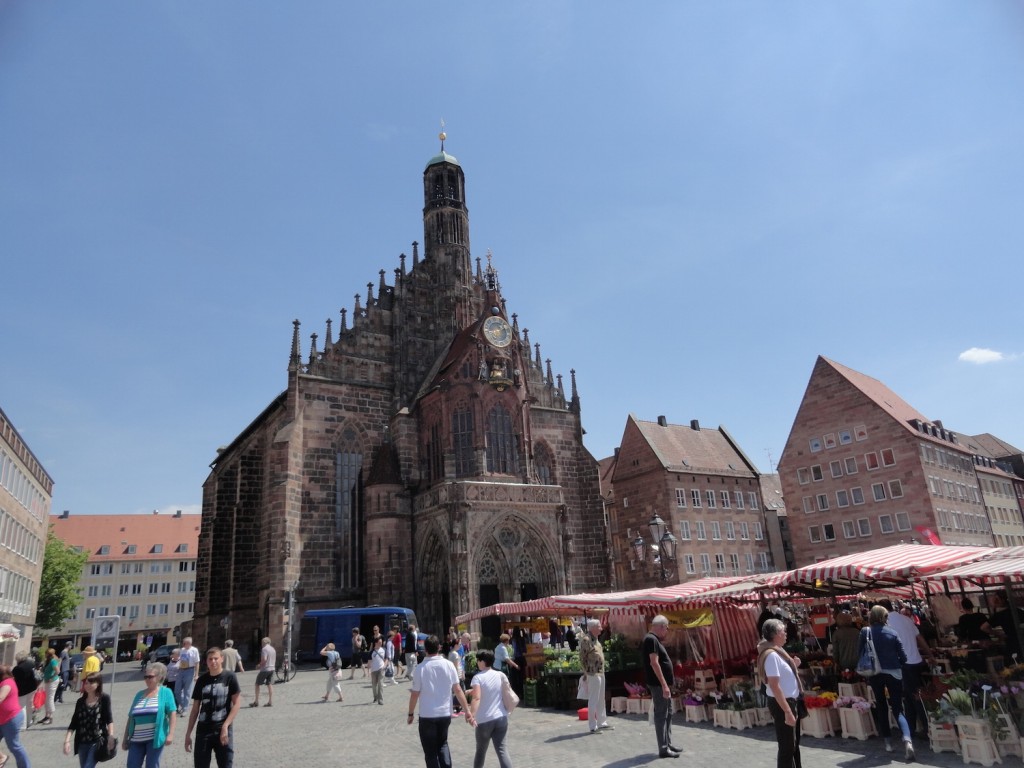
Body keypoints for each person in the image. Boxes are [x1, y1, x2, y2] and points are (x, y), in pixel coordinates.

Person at [407, 635, 475, 768]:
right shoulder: (449, 665)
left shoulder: (420, 668)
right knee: (443, 744)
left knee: (430, 751)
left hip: (427, 715)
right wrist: (467, 710)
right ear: (439, 647)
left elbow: (414, 694)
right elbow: (458, 689)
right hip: (444, 713)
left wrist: (410, 714)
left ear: (425, 649)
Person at [860, 604, 914, 760]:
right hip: (894, 672)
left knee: (881, 705)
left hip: (875, 673)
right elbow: (903, 657)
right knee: (898, 708)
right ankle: (907, 740)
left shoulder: (865, 632)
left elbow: (861, 653)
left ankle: (888, 743)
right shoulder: (892, 632)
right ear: (885, 617)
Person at [757, 618, 803, 768]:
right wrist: (787, 711)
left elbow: (781, 677)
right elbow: (775, 686)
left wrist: (793, 666)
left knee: (793, 745)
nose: (785, 633)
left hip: (789, 701)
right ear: (776, 634)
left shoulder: (777, 651)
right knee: (787, 747)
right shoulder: (772, 655)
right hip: (784, 703)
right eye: (783, 631)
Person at [185, 647, 241, 768]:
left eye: (216, 658)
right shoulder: (201, 680)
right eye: (210, 659)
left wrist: (226, 726)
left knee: (226, 764)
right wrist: (188, 733)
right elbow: (195, 709)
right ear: (206, 661)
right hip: (203, 730)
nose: (213, 661)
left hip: (222, 728)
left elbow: (236, 704)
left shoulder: (230, 677)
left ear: (222, 659)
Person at [884, 600, 931, 736]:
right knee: (910, 696)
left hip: (903, 663)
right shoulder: (906, 619)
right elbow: (920, 638)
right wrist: (930, 654)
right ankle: (911, 728)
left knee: (915, 696)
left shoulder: (887, 623)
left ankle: (927, 727)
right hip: (916, 661)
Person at [123, 662, 176, 768]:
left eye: (150, 677)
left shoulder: (166, 692)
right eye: (145, 677)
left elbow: (172, 713)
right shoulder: (139, 694)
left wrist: (170, 734)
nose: (147, 679)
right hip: (136, 739)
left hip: (154, 739)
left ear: (159, 677)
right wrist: (125, 738)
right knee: (132, 765)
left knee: (152, 766)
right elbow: (131, 717)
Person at [469, 649, 513, 768]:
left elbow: (477, 698)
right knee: (502, 750)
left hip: (484, 719)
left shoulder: (477, 678)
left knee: (481, 751)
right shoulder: (500, 674)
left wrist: (471, 715)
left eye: (478, 660)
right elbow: (502, 690)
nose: (477, 662)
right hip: (501, 716)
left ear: (483, 662)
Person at [643, 615, 679, 758]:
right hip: (658, 685)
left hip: (661, 685)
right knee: (661, 715)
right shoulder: (651, 639)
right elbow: (654, 662)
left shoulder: (653, 639)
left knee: (668, 713)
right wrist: (664, 684)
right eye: (667, 628)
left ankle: (668, 743)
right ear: (662, 626)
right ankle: (663, 748)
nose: (667, 631)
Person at [64, 672, 116, 768]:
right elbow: (73, 723)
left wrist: (111, 736)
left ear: (98, 684)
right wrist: (67, 741)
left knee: (88, 766)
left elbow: (109, 719)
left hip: (96, 741)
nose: (87, 685)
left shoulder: (104, 698)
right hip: (82, 743)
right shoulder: (80, 702)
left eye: (91, 683)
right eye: (86, 683)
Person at [579, 618, 611, 734]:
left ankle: (602, 722)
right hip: (592, 673)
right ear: (593, 628)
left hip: (600, 672)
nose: (601, 629)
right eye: (599, 627)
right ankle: (592, 726)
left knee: (601, 698)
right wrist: (586, 672)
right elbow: (582, 658)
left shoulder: (596, 640)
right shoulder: (586, 640)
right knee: (593, 699)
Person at [0, 664, 31, 768]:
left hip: (10, 719)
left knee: (14, 746)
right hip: (2, 719)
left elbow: (0, 698)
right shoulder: (5, 682)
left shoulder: (6, 683)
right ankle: (2, 757)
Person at [988, 590, 1021, 666]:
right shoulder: (1018, 611)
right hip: (1020, 640)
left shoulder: (1000, 615)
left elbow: (984, 627)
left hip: (1010, 642)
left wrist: (999, 634)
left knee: (1014, 664)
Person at [176, 638, 201, 716]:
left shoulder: (194, 650)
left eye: (185, 643)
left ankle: (185, 709)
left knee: (187, 691)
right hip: (181, 670)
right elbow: (179, 660)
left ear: (189, 643)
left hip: (190, 670)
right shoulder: (182, 650)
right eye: (183, 643)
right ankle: (183, 705)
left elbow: (197, 663)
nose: (183, 645)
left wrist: (196, 674)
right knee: (177, 691)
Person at [11, 653, 38, 728]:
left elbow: (14, 679)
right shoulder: (31, 664)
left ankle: (23, 725)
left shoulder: (17, 668)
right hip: (32, 687)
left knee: (21, 707)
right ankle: (29, 722)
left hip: (22, 690)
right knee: (29, 705)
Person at [250, 638, 275, 708]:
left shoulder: (264, 649)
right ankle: (270, 701)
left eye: (261, 642)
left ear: (264, 642)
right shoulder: (273, 649)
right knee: (269, 684)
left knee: (257, 684)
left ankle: (256, 701)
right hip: (272, 668)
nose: (261, 644)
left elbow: (264, 659)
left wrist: (259, 665)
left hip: (265, 669)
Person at [40, 649, 59, 725]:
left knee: (50, 698)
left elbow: (57, 671)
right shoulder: (48, 661)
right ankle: (46, 716)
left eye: (46, 653)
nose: (45, 655)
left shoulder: (53, 661)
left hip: (52, 681)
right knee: (47, 699)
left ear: (49, 654)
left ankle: (50, 717)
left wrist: (51, 677)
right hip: (47, 681)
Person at [369, 636, 387, 705]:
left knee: (380, 683)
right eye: (379, 642)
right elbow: (369, 662)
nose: (381, 643)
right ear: (376, 643)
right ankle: (375, 697)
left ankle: (380, 699)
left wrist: (385, 665)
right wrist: (368, 671)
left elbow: (386, 659)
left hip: (381, 669)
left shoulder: (384, 650)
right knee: (374, 685)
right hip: (373, 670)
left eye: (381, 642)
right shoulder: (371, 652)